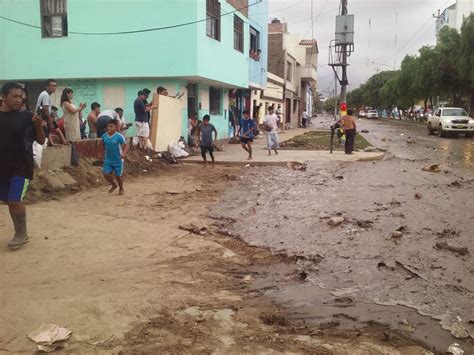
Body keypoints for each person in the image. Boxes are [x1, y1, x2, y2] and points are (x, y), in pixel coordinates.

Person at [0, 82, 46, 250]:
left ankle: (21, 234)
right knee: (8, 200)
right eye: (14, 96)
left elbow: (40, 140)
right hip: (2, 167)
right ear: (3, 97)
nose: (19, 100)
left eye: (21, 97)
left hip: (21, 165)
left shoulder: (28, 116)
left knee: (14, 199)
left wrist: (38, 126)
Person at [101, 119, 129, 196]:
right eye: (108, 126)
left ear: (116, 127)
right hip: (108, 159)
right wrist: (102, 154)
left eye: (111, 126)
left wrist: (123, 153)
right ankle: (113, 185)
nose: (109, 128)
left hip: (118, 160)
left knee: (118, 176)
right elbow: (103, 145)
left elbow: (126, 145)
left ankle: (121, 188)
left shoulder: (119, 136)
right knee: (106, 174)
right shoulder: (104, 136)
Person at [36, 79, 67, 145]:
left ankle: (63, 142)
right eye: (52, 85)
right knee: (45, 135)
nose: (54, 87)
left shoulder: (46, 95)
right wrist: (50, 120)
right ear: (46, 86)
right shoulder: (45, 95)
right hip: (43, 118)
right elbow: (45, 109)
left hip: (46, 117)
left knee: (55, 129)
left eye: (55, 86)